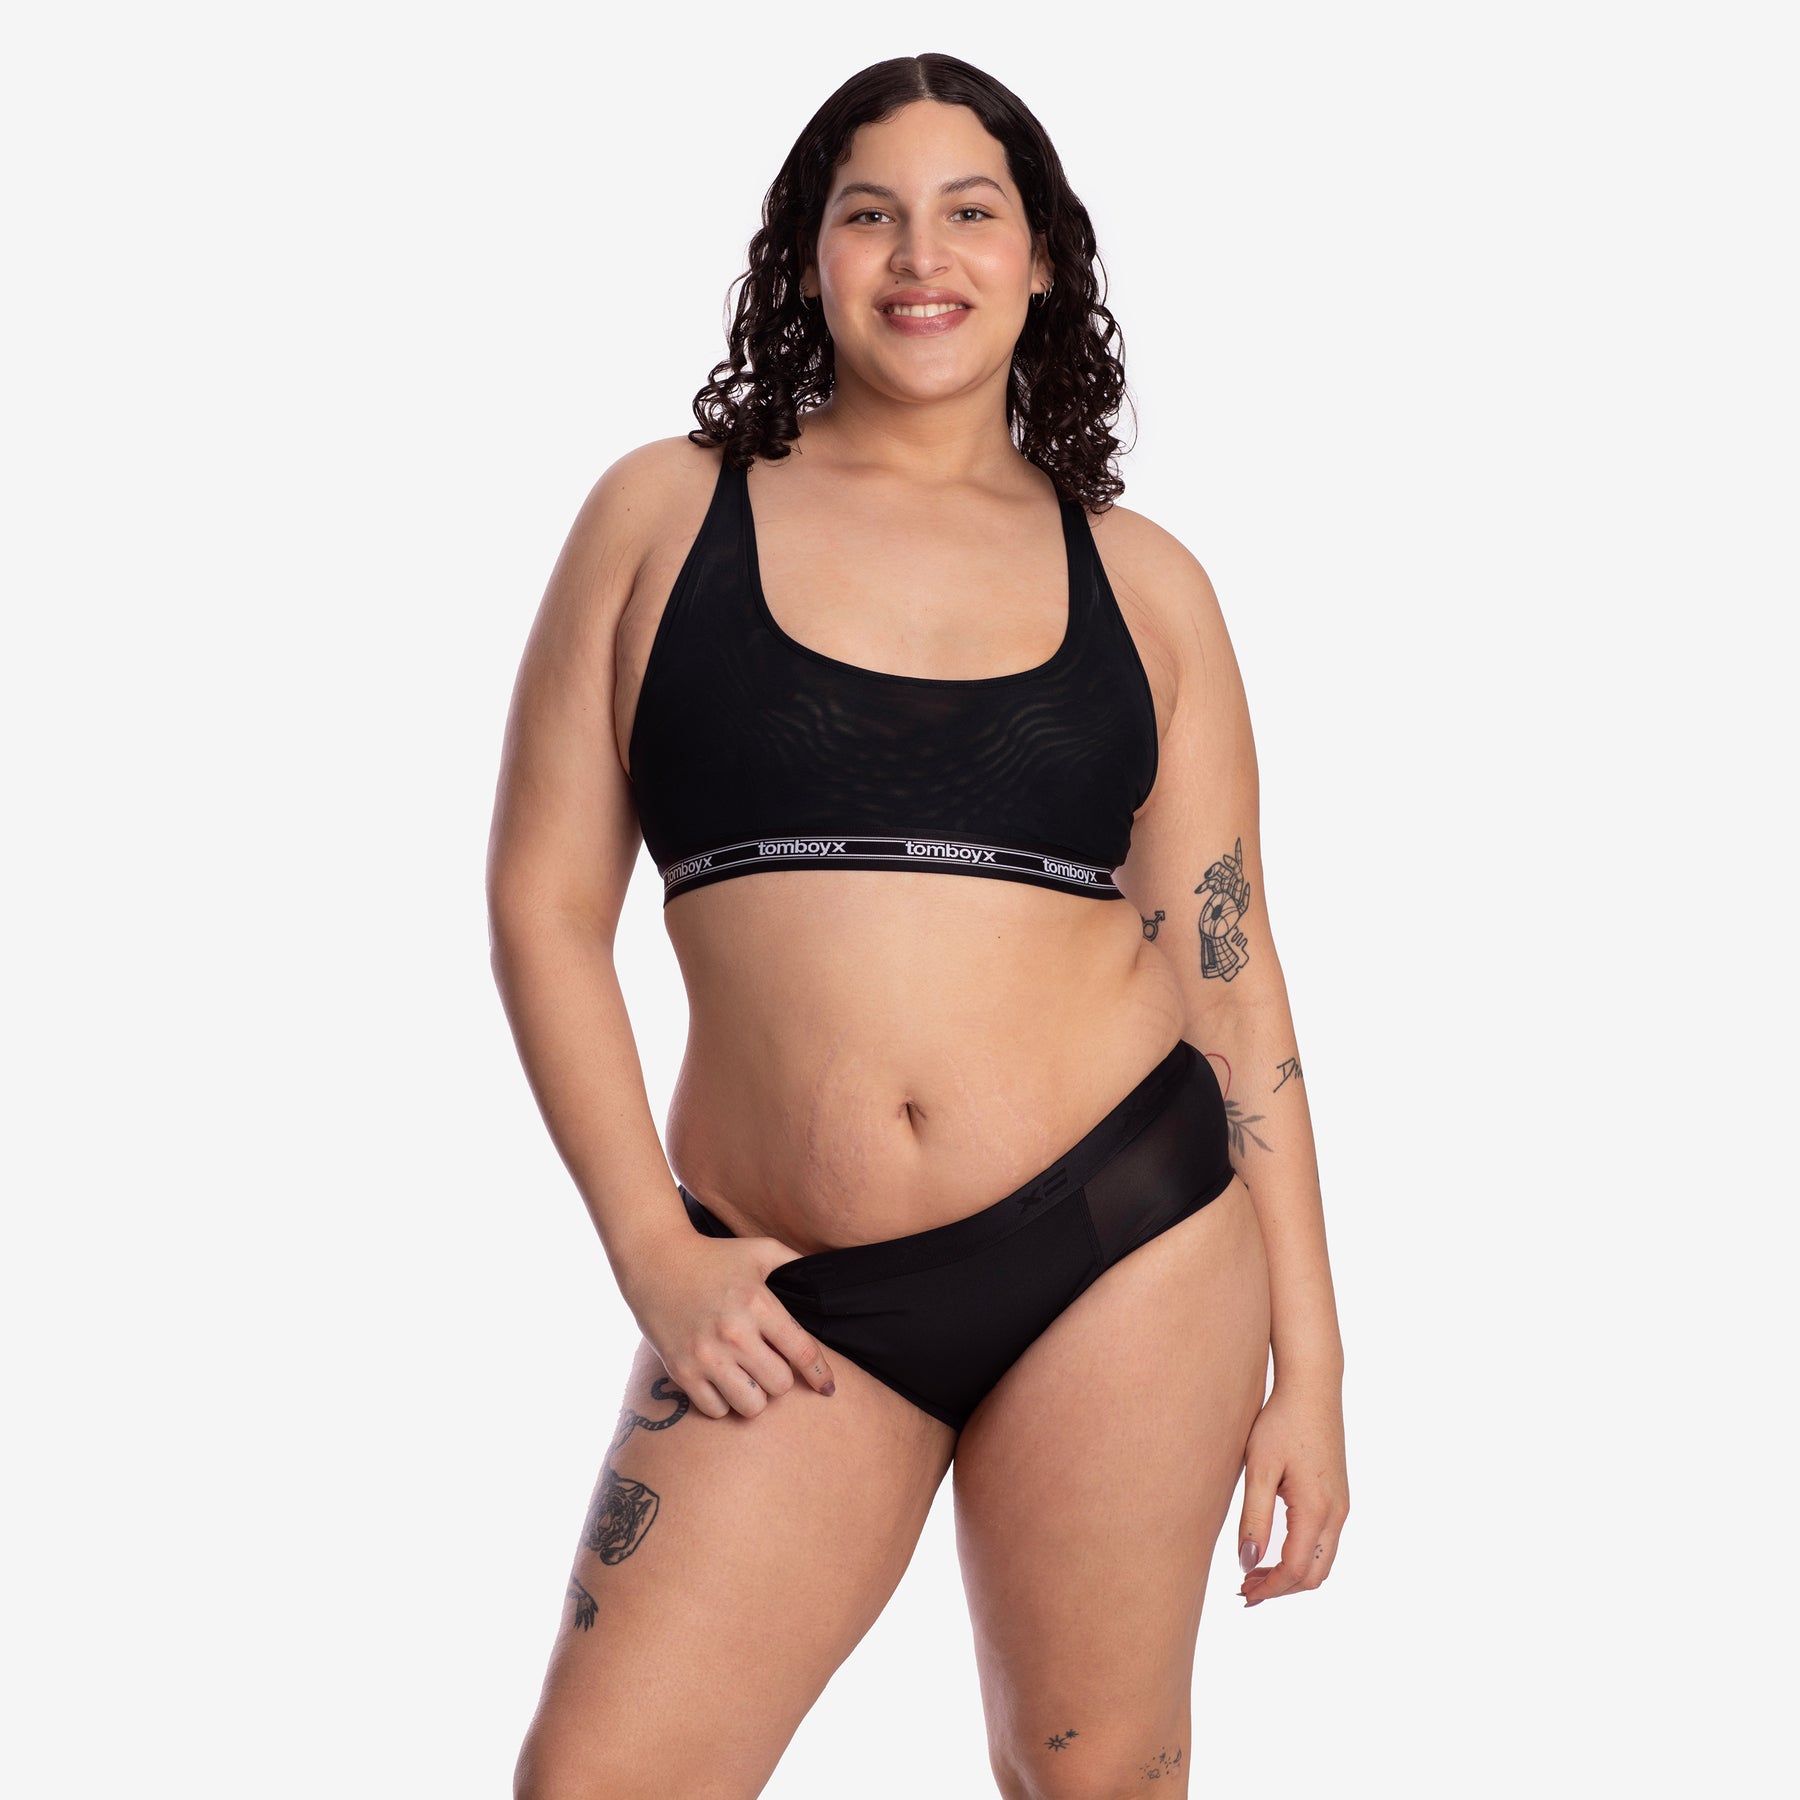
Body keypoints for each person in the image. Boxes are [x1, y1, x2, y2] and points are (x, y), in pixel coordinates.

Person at [487, 51, 1348, 1800]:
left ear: (1042, 260)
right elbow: (543, 907)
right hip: (787, 1289)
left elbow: (1233, 985)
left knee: (1090, 1780)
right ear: (807, 255)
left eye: (971, 212)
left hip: (1126, 1245)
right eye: (870, 214)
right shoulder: (665, 515)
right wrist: (651, 1249)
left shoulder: (1146, 583)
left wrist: (1314, 1365)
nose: (920, 256)